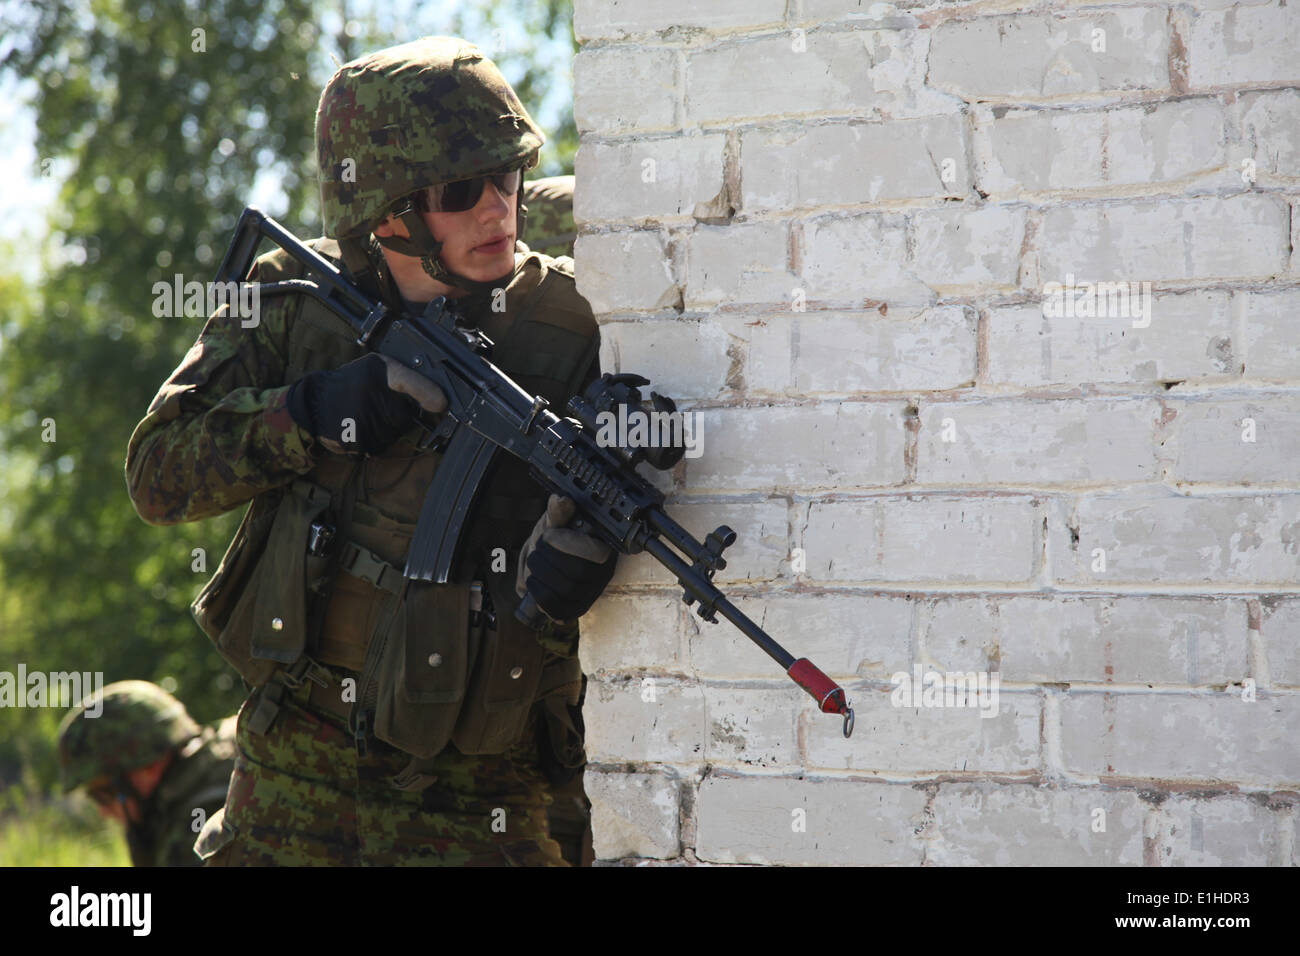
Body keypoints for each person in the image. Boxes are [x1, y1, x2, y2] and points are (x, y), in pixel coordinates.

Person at [124, 36, 616, 866]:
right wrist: (312, 411)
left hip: (485, 786)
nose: (498, 207)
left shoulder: (574, 317)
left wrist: (586, 558)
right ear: (383, 209)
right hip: (299, 766)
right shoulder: (296, 301)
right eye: (462, 189)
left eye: (510, 176)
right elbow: (157, 475)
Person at [57, 680, 236, 867]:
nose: (103, 812)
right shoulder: (212, 765)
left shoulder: (201, 824)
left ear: (148, 766)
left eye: (102, 794)